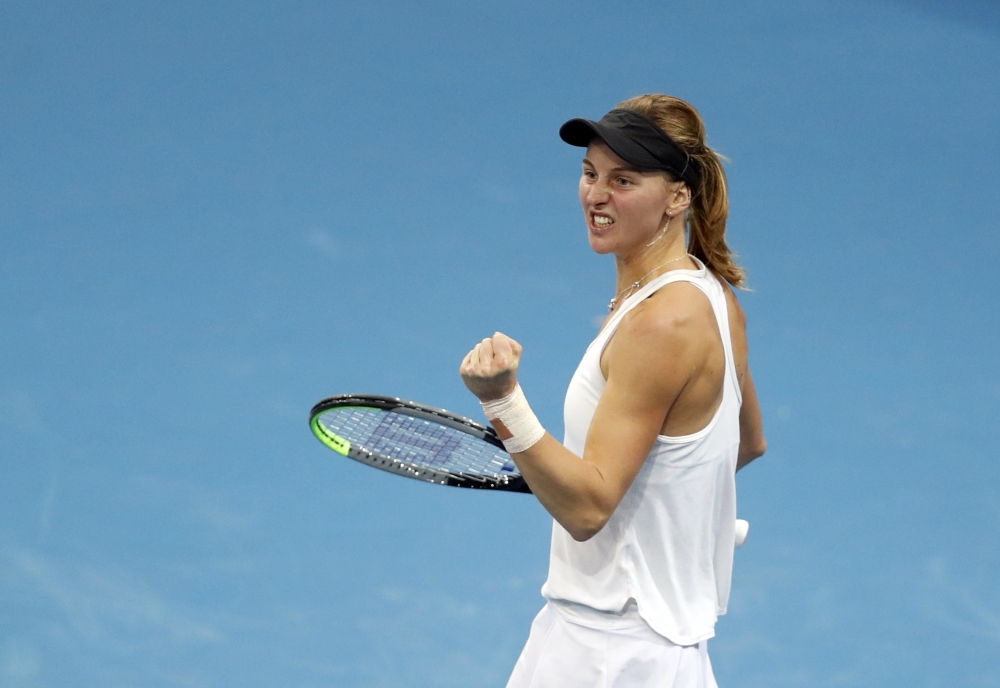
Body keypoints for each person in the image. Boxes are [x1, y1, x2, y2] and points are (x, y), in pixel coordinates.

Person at [459, 94, 766, 687]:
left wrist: (502, 400)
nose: (597, 195)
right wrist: (671, 506)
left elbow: (588, 507)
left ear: (679, 196)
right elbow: (746, 442)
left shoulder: (661, 324)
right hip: (632, 642)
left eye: (623, 180)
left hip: (612, 654)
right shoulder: (710, 294)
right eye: (590, 173)